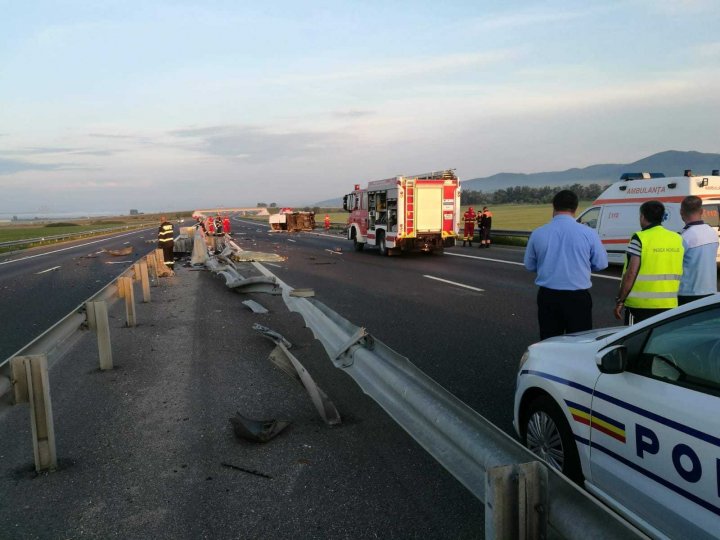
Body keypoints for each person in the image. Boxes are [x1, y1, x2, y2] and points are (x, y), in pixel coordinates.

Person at [524, 190, 608, 340]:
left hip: (548, 296)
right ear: (575, 208)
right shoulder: (589, 233)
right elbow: (601, 263)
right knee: (579, 343)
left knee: (549, 342)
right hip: (578, 297)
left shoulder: (538, 233)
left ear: (554, 207)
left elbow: (530, 265)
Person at [613, 201, 684, 324]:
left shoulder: (640, 238)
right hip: (669, 303)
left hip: (640, 305)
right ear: (662, 217)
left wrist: (621, 300)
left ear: (642, 216)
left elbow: (631, 273)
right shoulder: (677, 238)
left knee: (636, 341)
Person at [677, 195, 718, 305]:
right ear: (702, 211)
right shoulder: (712, 233)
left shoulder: (684, 237)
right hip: (710, 290)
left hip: (688, 293)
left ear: (681, 212)